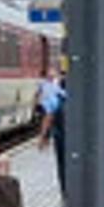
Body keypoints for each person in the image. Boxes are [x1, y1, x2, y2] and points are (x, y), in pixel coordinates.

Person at [38, 64, 67, 192]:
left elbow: (48, 117)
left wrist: (43, 137)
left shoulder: (55, 97)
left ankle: (65, 189)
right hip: (74, 136)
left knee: (62, 164)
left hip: (60, 135)